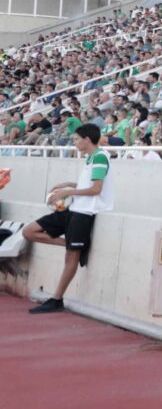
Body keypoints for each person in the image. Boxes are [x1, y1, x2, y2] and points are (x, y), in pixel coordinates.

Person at [24, 124, 111, 314]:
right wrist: (70, 184)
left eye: (77, 139)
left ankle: (57, 299)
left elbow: (96, 190)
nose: (74, 142)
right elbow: (90, 184)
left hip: (84, 212)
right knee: (29, 231)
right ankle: (73, 244)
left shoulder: (100, 157)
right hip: (74, 208)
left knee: (71, 256)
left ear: (87, 139)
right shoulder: (91, 158)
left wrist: (69, 190)